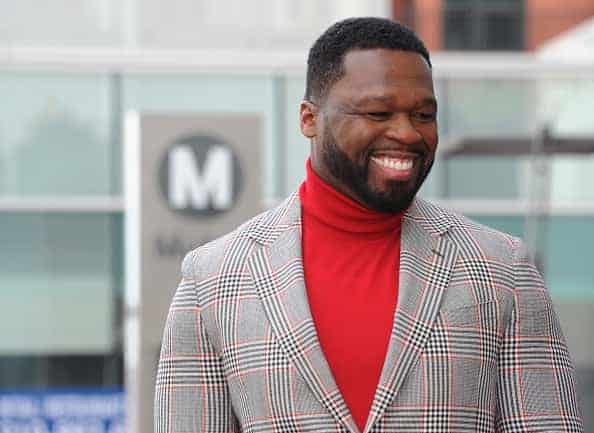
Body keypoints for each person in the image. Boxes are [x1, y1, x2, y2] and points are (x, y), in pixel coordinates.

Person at [155, 17, 583, 433]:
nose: (408, 133)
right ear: (308, 119)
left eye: (423, 115)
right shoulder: (212, 280)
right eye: (378, 113)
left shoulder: (502, 269)